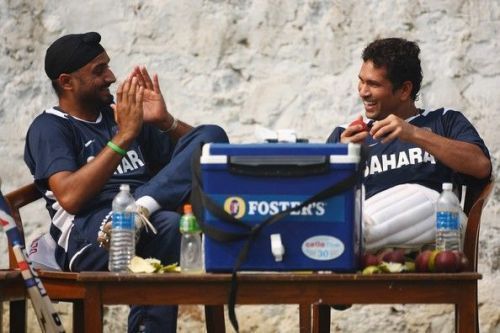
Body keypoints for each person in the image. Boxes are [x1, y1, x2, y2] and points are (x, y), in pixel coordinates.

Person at [24, 31, 229, 332]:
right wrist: (124, 137)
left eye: (108, 66)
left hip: (147, 220)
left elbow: (204, 157)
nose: (111, 76)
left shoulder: (121, 117)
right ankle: (137, 213)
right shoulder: (51, 127)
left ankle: (139, 210)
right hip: (91, 235)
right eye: (99, 71)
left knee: (212, 136)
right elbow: (70, 197)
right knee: (168, 226)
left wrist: (164, 121)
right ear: (67, 82)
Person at [327, 38, 491, 252]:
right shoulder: (345, 134)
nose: (363, 91)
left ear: (404, 90)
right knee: (353, 220)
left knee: (425, 197)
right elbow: (321, 200)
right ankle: (355, 237)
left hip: (439, 237)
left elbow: (481, 166)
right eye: (361, 81)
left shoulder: (444, 121)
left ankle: (351, 238)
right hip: (372, 249)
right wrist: (340, 156)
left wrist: (413, 133)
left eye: (374, 84)